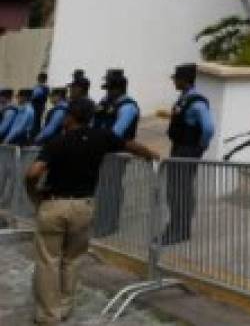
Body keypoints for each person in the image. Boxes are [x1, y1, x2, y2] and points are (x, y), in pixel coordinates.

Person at [24, 97, 158, 325]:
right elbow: (129, 144)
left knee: (48, 261)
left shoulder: (57, 142)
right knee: (73, 259)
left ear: (70, 117)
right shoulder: (102, 137)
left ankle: (49, 315)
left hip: (54, 204)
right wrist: (151, 156)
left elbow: (32, 173)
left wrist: (33, 194)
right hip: (84, 206)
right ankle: (65, 307)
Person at [159, 63, 214, 245]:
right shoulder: (184, 98)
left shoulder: (197, 102)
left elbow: (208, 128)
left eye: (176, 79)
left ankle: (181, 229)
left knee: (181, 190)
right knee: (174, 190)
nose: (174, 81)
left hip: (188, 149)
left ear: (184, 80)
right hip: (179, 147)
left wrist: (200, 147)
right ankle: (176, 225)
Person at [90, 69, 140, 238]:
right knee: (101, 188)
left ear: (119, 89)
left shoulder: (128, 107)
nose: (107, 92)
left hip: (116, 153)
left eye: (110, 88)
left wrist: (97, 142)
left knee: (111, 189)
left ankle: (109, 225)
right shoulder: (105, 102)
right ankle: (100, 221)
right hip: (102, 152)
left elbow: (116, 133)